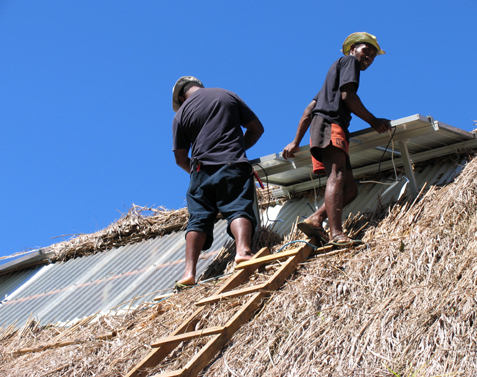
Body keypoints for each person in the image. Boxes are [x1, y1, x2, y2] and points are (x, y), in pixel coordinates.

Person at [282, 32, 391, 246]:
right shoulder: (349, 62)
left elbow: (309, 109)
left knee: (349, 190)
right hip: (331, 124)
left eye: (372, 55)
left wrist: (295, 141)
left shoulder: (331, 79)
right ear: (352, 49)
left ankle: (316, 218)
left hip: (323, 126)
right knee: (337, 174)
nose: (368, 57)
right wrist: (373, 121)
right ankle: (336, 233)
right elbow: (347, 96)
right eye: (365, 51)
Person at [171, 76, 264, 287]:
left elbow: (179, 158)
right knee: (238, 207)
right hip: (232, 163)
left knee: (198, 219)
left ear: (181, 97)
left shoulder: (181, 115)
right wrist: (237, 149)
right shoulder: (225, 95)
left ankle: (189, 273)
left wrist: (195, 172)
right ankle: (243, 251)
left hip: (200, 171)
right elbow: (257, 128)